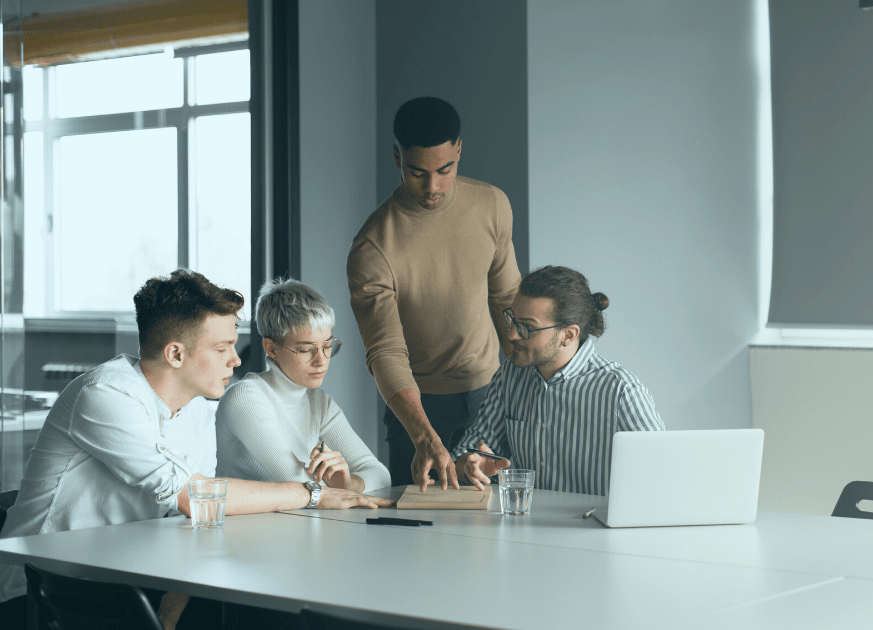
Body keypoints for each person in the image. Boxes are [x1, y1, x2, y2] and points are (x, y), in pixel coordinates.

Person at [0, 270, 391, 628]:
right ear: (175, 354)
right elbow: (192, 495)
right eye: (222, 348)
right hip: (43, 593)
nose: (236, 360)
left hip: (125, 583)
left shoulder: (200, 413)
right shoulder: (104, 394)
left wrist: (170, 614)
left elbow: (200, 520)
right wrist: (314, 493)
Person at [347, 96, 520, 492]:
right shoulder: (372, 247)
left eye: (445, 170)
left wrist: (522, 385)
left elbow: (508, 299)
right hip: (419, 408)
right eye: (417, 173)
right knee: (420, 541)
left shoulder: (492, 205)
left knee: (501, 528)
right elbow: (385, 351)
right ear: (396, 156)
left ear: (459, 150)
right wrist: (424, 436)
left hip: (491, 395)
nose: (433, 187)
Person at [451, 266, 665, 496]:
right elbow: (467, 452)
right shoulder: (509, 376)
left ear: (568, 335)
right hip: (523, 526)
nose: (512, 334)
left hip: (592, 528)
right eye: (512, 319)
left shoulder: (621, 391)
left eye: (527, 327)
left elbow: (665, 474)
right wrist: (469, 466)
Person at [216, 279, 390, 492]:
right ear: (271, 349)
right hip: (247, 525)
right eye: (306, 350)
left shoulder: (319, 403)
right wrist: (338, 489)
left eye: (327, 346)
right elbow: (301, 485)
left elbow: (380, 474)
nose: (322, 360)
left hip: (299, 522)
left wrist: (348, 483)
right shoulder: (246, 397)